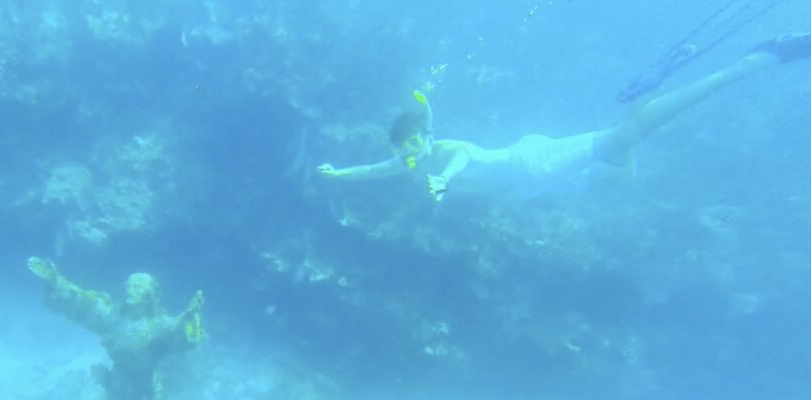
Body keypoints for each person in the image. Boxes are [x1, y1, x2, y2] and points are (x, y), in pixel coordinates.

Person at [318, 34, 811, 201]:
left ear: (425, 139)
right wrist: (337, 174)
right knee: (620, 171)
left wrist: (444, 181)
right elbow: (373, 172)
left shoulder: (445, 152)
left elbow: (458, 162)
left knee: (629, 133)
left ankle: (752, 63)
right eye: (401, 150)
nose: (407, 155)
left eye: (411, 146)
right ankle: (640, 106)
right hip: (537, 184)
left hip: (534, 166)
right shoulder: (411, 162)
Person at [27, 257, 205, 400]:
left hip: (144, 389)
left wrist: (189, 321)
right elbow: (84, 304)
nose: (131, 290)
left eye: (138, 288)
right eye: (129, 285)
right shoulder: (113, 317)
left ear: (149, 296)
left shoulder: (157, 324)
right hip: (119, 385)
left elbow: (178, 335)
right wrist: (56, 281)